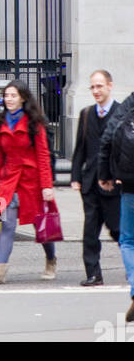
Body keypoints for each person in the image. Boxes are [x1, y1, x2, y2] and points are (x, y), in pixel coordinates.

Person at [0, 78, 56, 284]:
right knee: (6, 226)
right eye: (6, 95)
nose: (9, 99)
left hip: (31, 182)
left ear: (23, 98)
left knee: (40, 226)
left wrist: (47, 186)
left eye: (13, 95)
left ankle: (51, 259)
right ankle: (0, 269)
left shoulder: (35, 122)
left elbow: (43, 156)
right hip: (9, 181)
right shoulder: (0, 122)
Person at [71, 69, 121, 286]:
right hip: (90, 183)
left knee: (118, 230)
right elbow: (79, 149)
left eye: (99, 86)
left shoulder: (123, 114)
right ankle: (93, 273)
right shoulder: (85, 114)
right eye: (92, 87)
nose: (96, 91)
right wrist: (75, 176)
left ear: (110, 86)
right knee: (90, 231)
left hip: (113, 184)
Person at [98, 84, 134, 323]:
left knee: (129, 240)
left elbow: (109, 137)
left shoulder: (129, 104)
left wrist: (105, 174)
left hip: (131, 186)